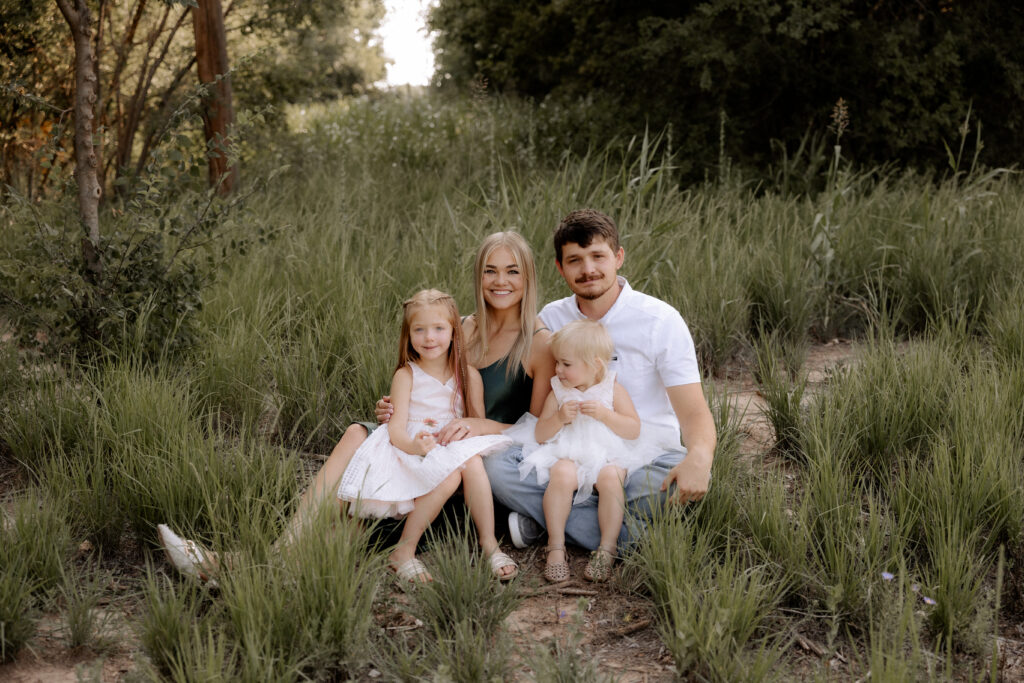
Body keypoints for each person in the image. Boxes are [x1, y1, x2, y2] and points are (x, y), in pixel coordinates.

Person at [159, 232, 553, 583]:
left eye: (513, 271)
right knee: (357, 434)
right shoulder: (460, 327)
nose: (501, 281)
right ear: (478, 275)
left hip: (472, 467)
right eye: (491, 270)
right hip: (426, 437)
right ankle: (282, 545)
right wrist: (394, 409)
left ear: (529, 276)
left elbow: (537, 432)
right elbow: (429, 385)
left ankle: (239, 567)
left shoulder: (539, 342)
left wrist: (478, 425)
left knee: (357, 525)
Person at [485, 209, 717, 556]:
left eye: (598, 256)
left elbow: (694, 412)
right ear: (560, 268)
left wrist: (700, 457)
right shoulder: (551, 319)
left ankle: (547, 520)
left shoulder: (660, 321)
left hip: (637, 460)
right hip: (565, 455)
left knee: (676, 475)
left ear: (619, 257)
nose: (588, 269)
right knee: (496, 467)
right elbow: (526, 400)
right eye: (575, 260)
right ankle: (636, 542)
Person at [335, 289, 516, 582]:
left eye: (439, 329)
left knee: (472, 463)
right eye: (419, 330)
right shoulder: (406, 375)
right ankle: (404, 552)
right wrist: (415, 446)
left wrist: (465, 431)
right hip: (412, 447)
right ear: (408, 335)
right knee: (450, 475)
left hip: (449, 445)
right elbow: (395, 430)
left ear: (454, 331)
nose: (429, 338)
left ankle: (489, 545)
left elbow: (477, 422)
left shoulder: (469, 376)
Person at [513, 319, 664, 582]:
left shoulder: (612, 388)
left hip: (609, 451)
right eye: (557, 362)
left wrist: (606, 415)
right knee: (561, 473)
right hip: (569, 450)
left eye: (566, 364)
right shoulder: (558, 391)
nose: (558, 369)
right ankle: (556, 546)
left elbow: (633, 429)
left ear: (595, 365)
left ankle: (607, 548)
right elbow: (540, 434)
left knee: (610, 478)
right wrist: (559, 418)